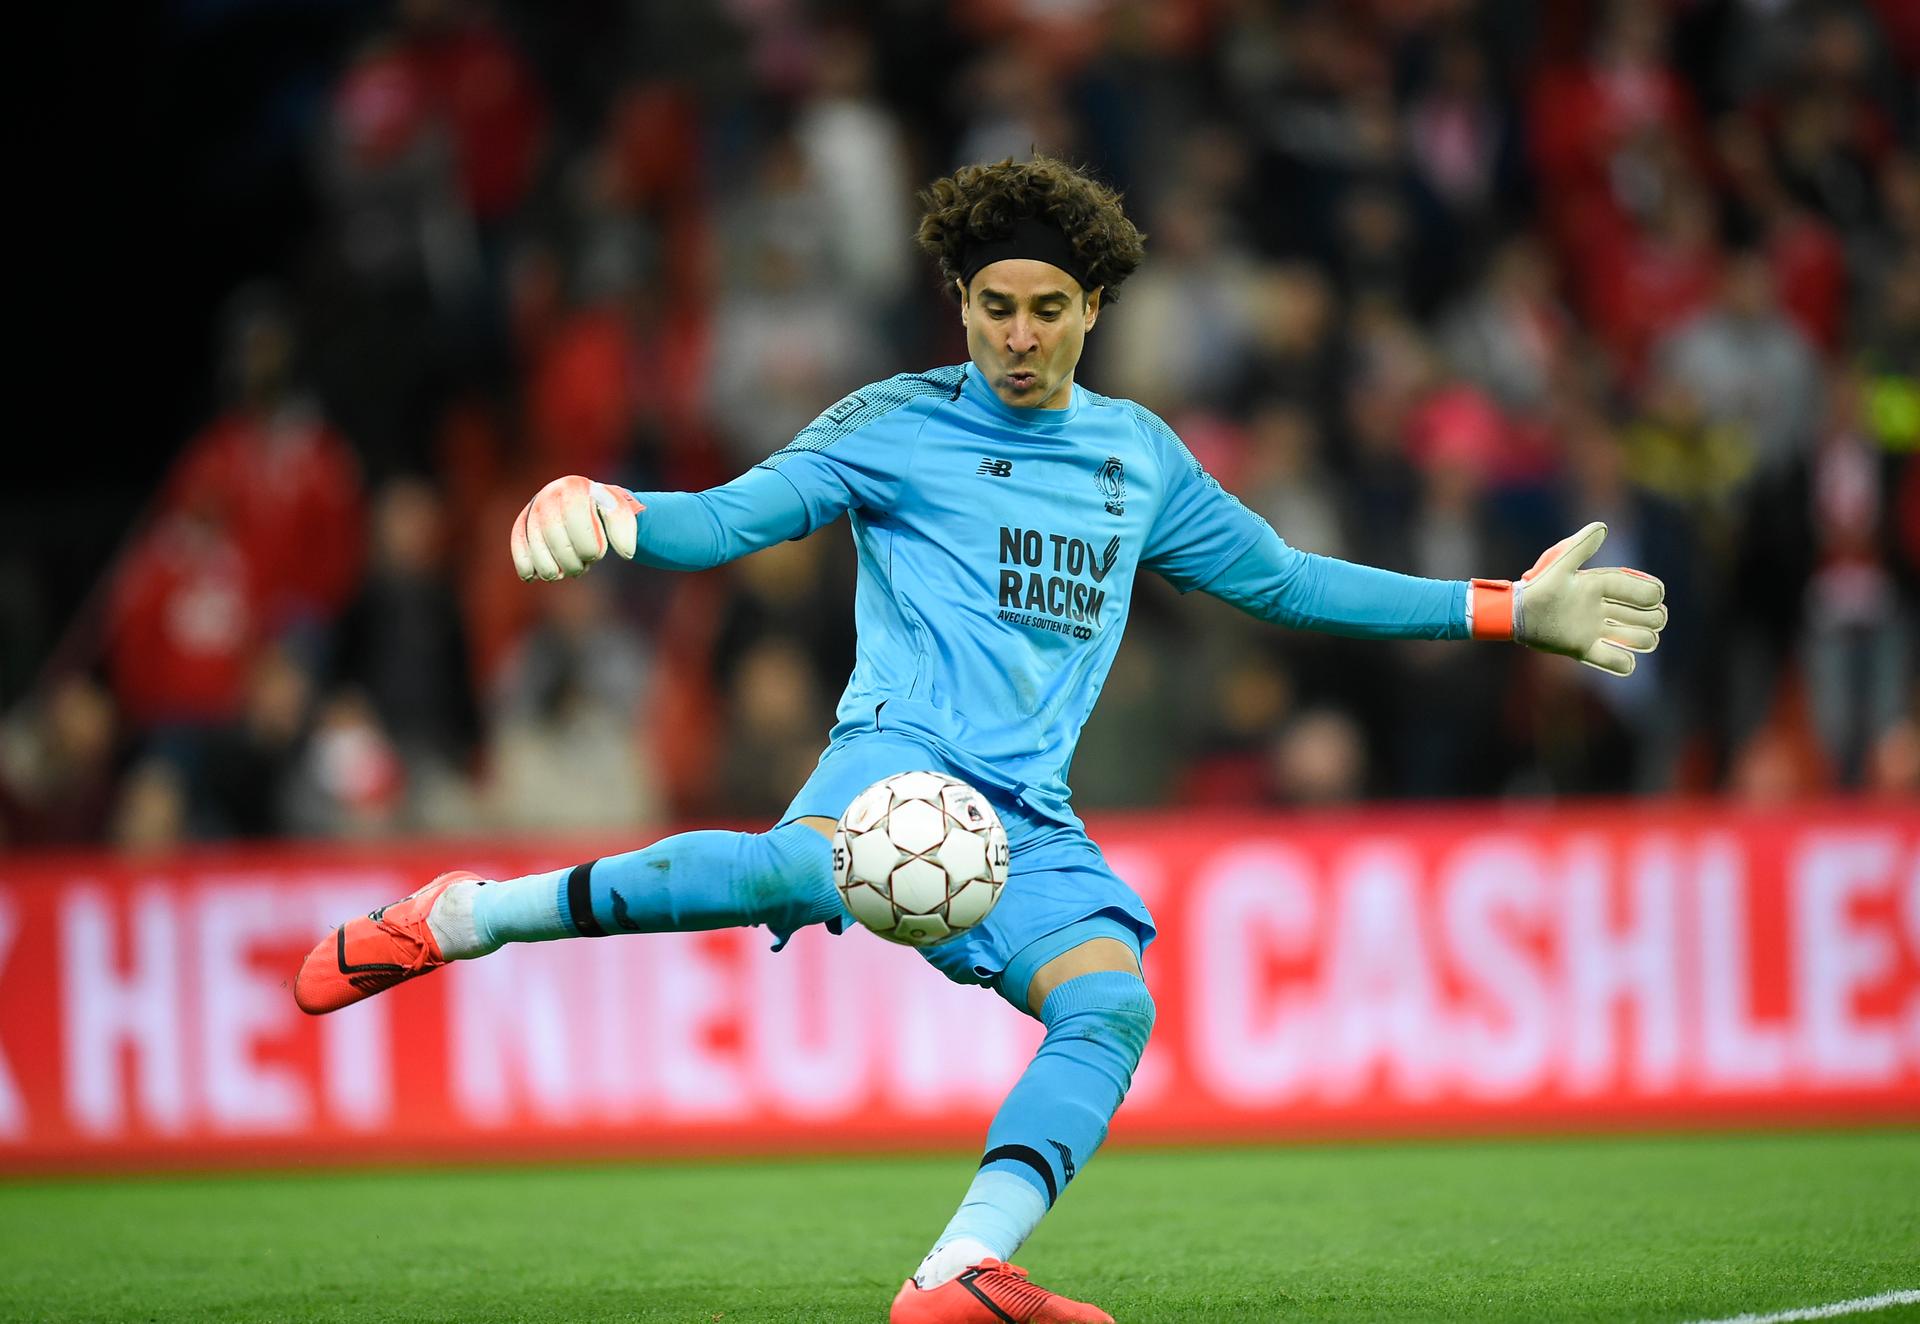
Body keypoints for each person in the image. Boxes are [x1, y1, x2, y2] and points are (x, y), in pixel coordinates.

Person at [294, 156, 1670, 1324]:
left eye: (1048, 312)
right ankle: (464, 917)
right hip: (893, 758)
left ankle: (959, 1271)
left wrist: (1505, 608)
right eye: (994, 306)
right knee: (801, 870)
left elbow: (1288, 579)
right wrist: (617, 506)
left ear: (1095, 314)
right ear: (961, 303)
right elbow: (733, 515)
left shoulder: (1139, 458)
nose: (1017, 335)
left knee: (1113, 1005)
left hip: (1032, 818)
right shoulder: (893, 427)